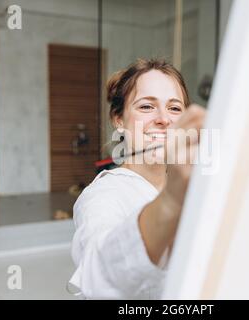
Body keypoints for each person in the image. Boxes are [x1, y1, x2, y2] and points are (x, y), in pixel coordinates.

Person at [69, 58, 206, 299]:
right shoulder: (102, 197)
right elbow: (98, 276)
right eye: (146, 107)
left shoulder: (199, 187)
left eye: (174, 108)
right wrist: (171, 200)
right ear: (118, 119)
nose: (164, 119)